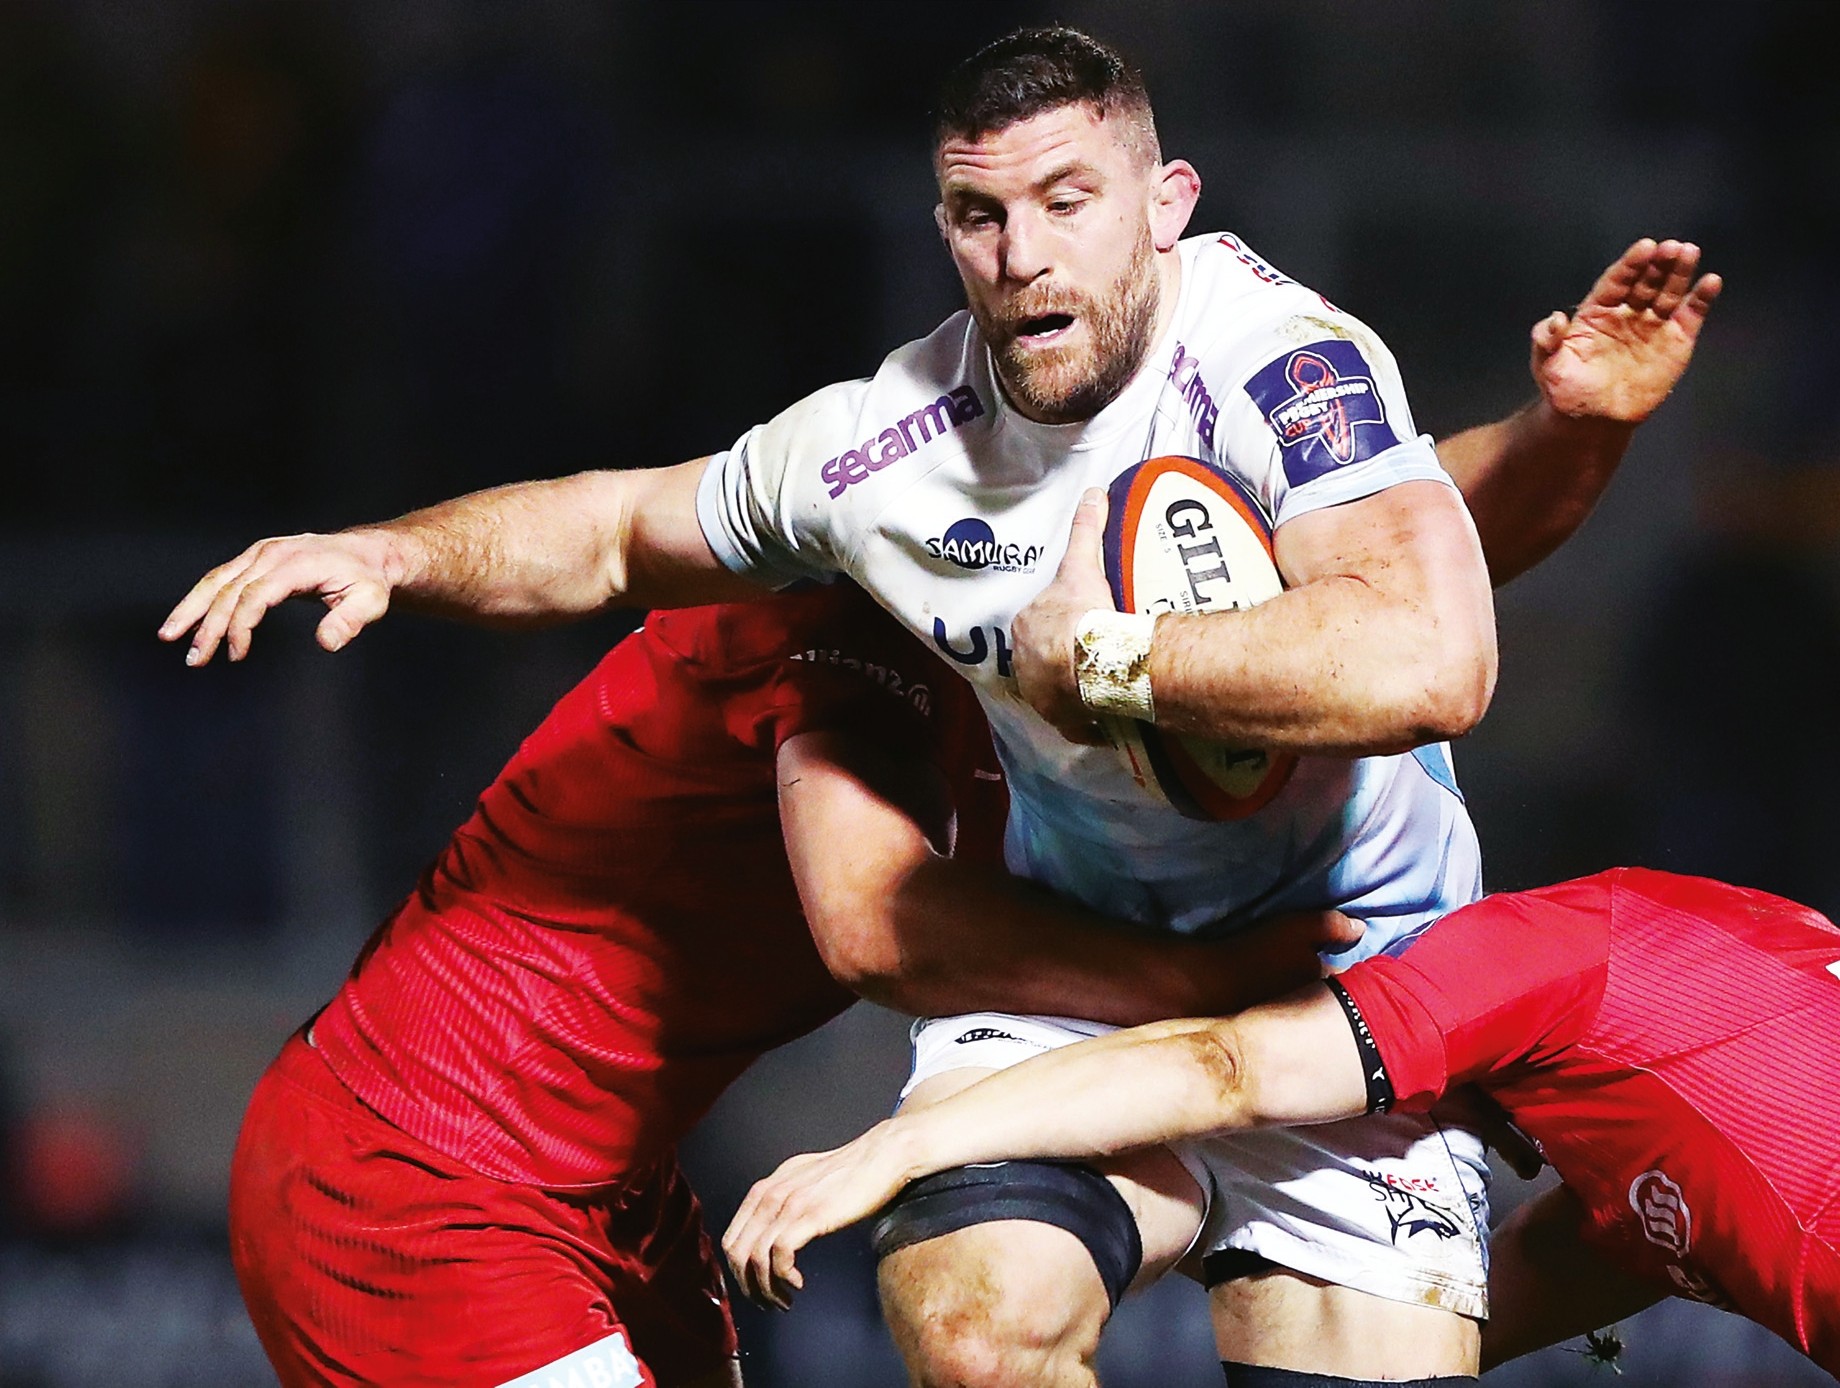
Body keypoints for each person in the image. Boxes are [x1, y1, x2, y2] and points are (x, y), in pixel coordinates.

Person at [164, 27, 1720, 1387]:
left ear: (1166, 206)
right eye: (981, 215)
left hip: (1326, 988)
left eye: (1067, 201)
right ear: (941, 232)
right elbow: (639, 561)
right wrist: (396, 550)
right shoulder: (870, 518)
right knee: (976, 1328)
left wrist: (1562, 442)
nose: (1023, 253)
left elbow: (1419, 603)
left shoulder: (1277, 367)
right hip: (435, 1176)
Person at [224, 578, 1358, 1388]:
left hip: (613, 1187)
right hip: (411, 1173)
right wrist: (1203, 982)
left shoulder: (1047, 697)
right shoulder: (853, 623)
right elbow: (878, 930)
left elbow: (1391, 545)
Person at [724, 867, 1840, 1380]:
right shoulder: (1729, 982)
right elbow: (1556, 1270)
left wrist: (899, 1144)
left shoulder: (1566, 955)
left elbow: (1230, 1066)